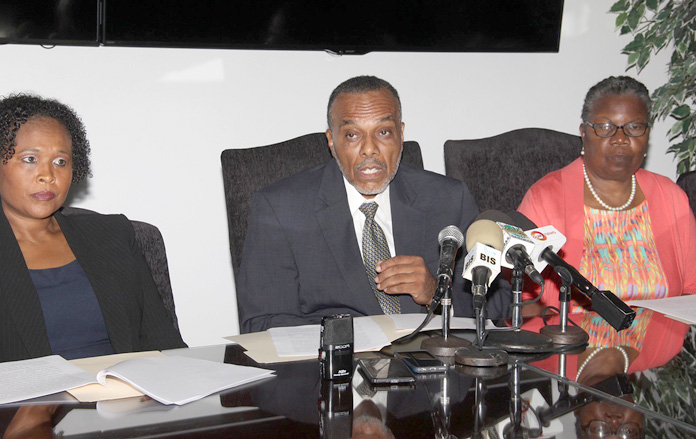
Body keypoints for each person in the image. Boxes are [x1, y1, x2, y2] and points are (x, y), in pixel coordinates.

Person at [237, 75, 510, 333]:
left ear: (400, 135)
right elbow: (262, 323)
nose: (369, 149)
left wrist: (435, 293)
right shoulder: (281, 208)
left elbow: (497, 305)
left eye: (383, 132)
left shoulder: (448, 199)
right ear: (331, 140)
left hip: (430, 369)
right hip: (333, 370)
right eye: (352, 135)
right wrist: (349, 340)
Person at [518, 76, 696, 377]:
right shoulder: (545, 198)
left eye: (634, 127)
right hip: (565, 355)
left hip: (652, 378)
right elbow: (522, 303)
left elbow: (691, 292)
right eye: (605, 127)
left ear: (647, 135)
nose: (620, 138)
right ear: (584, 133)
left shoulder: (671, 198)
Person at [0, 94, 186, 363]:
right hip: (29, 403)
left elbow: (165, 345)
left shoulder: (113, 235)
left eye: (60, 162)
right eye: (30, 159)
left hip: (125, 397)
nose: (48, 175)